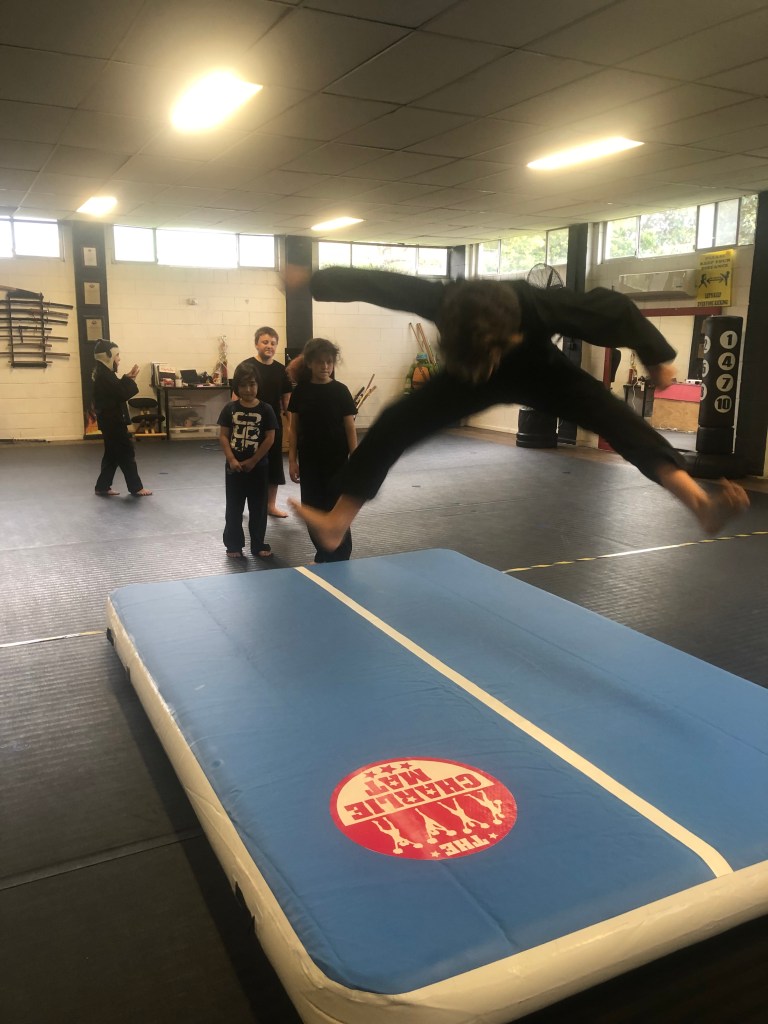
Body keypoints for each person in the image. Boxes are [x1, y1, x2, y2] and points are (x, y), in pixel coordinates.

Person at [289, 267, 749, 550]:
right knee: (396, 422)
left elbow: (611, 309)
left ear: (510, 334)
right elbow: (377, 284)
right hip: (468, 376)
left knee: (617, 419)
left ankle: (700, 505)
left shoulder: (539, 304)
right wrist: (314, 282)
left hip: (539, 370)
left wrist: (656, 357)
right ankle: (336, 523)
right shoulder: (442, 299)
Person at [288, 338, 358, 562]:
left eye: (329, 362)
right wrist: (292, 460)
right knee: (312, 509)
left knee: (336, 510)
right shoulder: (301, 392)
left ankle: (342, 556)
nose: (325, 366)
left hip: (337, 463)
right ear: (309, 363)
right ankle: (322, 553)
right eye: (320, 362)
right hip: (309, 462)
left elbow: (350, 428)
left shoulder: (341, 391)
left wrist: (356, 459)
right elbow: (294, 429)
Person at [217, 361, 277, 560]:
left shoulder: (266, 409)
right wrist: (231, 459)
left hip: (258, 467)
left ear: (258, 385)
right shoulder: (230, 409)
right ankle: (233, 544)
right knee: (234, 507)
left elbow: (270, 438)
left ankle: (258, 544)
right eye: (243, 385)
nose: (248, 389)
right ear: (237, 387)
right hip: (234, 468)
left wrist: (253, 460)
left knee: (258, 508)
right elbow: (223, 436)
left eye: (252, 384)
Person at [242, 326, 292, 517]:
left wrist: (291, 424)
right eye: (265, 342)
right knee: (248, 464)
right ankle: (245, 504)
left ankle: (270, 505)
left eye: (273, 343)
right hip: (249, 423)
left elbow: (287, 400)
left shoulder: (281, 370)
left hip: (273, 424)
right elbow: (235, 397)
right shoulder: (246, 367)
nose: (269, 346)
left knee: (274, 465)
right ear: (256, 344)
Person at [92, 339, 152, 497]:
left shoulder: (104, 374)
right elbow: (121, 393)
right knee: (126, 452)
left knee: (112, 454)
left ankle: (102, 486)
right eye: (117, 355)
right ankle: (136, 487)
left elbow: (116, 388)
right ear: (108, 356)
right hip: (112, 421)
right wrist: (130, 380)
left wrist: (126, 378)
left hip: (109, 420)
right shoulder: (104, 376)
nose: (119, 359)